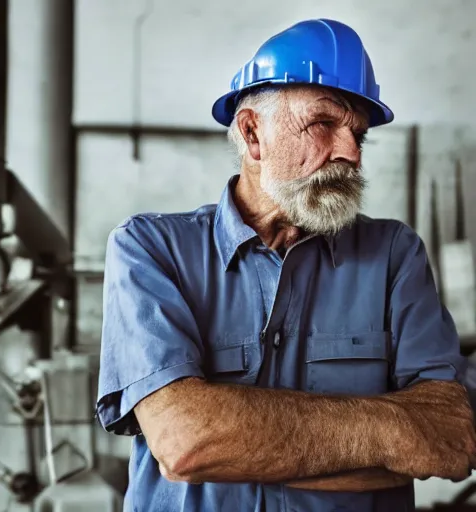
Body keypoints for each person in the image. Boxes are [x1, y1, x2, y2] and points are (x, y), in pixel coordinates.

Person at [97, 19, 476, 512]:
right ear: (253, 134)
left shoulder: (394, 256)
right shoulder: (150, 249)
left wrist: (244, 443)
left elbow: (451, 434)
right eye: (324, 124)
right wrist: (394, 430)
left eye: (359, 135)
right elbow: (186, 441)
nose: (351, 153)